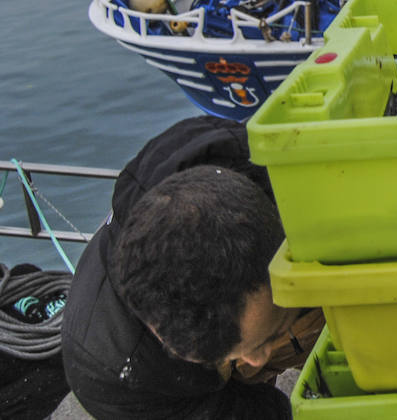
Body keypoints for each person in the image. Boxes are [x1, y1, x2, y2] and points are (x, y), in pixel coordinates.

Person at [62, 115, 325, 419]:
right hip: (177, 381)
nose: (258, 360)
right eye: (227, 356)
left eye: (268, 339)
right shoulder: (113, 374)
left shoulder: (266, 160)